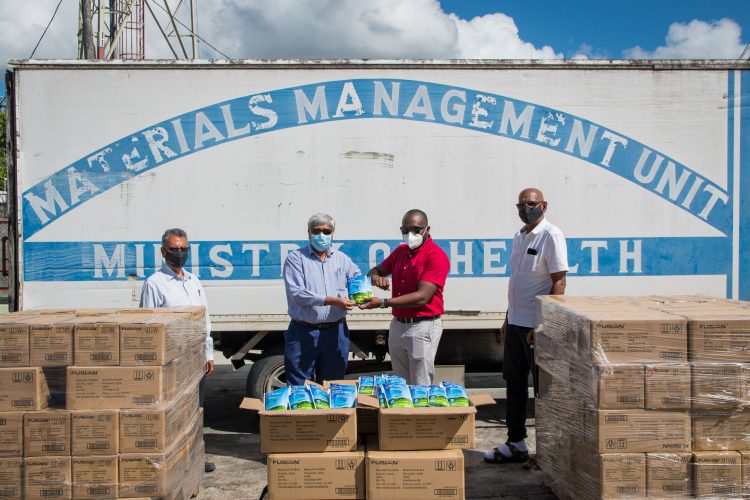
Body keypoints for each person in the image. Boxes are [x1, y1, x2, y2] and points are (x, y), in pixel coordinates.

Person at [484, 188, 568, 464]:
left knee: (544, 390)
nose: (525, 208)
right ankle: (516, 443)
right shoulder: (520, 236)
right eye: (520, 204)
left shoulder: (551, 235)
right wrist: (508, 318)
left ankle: (550, 452)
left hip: (536, 326)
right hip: (517, 323)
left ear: (544, 205)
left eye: (531, 204)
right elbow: (518, 281)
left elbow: (559, 282)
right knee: (514, 384)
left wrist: (544, 323)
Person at [139, 227, 216, 473]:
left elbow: (205, 320)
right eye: (174, 249)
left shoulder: (194, 281)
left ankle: (194, 456)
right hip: (172, 361)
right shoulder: (155, 284)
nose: (180, 253)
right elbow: (148, 326)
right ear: (164, 251)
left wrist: (209, 352)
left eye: (184, 249)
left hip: (195, 358)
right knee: (173, 414)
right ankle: (172, 461)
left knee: (194, 410)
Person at [360, 209, 450, 385]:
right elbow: (374, 271)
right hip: (398, 324)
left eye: (416, 230)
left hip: (422, 326)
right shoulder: (401, 252)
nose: (411, 235)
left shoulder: (436, 255)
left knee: (420, 385)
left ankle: (419, 414)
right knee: (400, 385)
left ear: (427, 229)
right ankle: (404, 413)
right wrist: (377, 277)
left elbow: (422, 297)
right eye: (405, 230)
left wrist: (383, 302)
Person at [282, 213, 361, 385]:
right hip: (304, 332)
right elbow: (298, 294)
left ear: (332, 234)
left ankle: (331, 413)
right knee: (299, 388)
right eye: (316, 231)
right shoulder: (296, 259)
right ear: (308, 233)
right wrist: (332, 300)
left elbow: (357, 278)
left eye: (326, 231)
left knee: (333, 386)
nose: (321, 236)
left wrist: (365, 292)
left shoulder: (342, 259)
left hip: (336, 331)